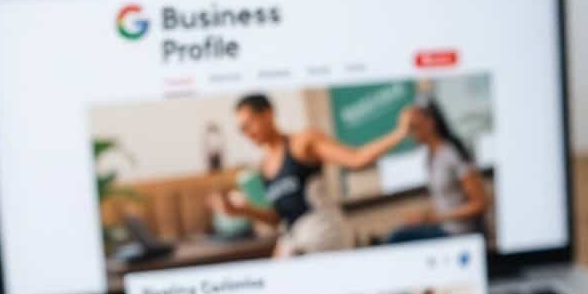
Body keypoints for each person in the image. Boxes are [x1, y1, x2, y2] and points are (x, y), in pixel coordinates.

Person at [209, 93, 413, 258]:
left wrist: (400, 133)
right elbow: (279, 217)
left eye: (249, 124)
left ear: (268, 114)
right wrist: (241, 211)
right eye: (242, 129)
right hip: (296, 236)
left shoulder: (303, 143)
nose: (247, 133)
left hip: (323, 231)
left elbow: (357, 158)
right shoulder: (263, 166)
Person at [387, 98, 490, 244]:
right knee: (399, 233)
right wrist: (423, 217)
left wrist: (436, 217)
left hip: (460, 234)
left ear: (430, 123)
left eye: (414, 127)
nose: (411, 133)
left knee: (397, 238)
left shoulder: (452, 153)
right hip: (445, 228)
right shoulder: (430, 158)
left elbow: (481, 204)